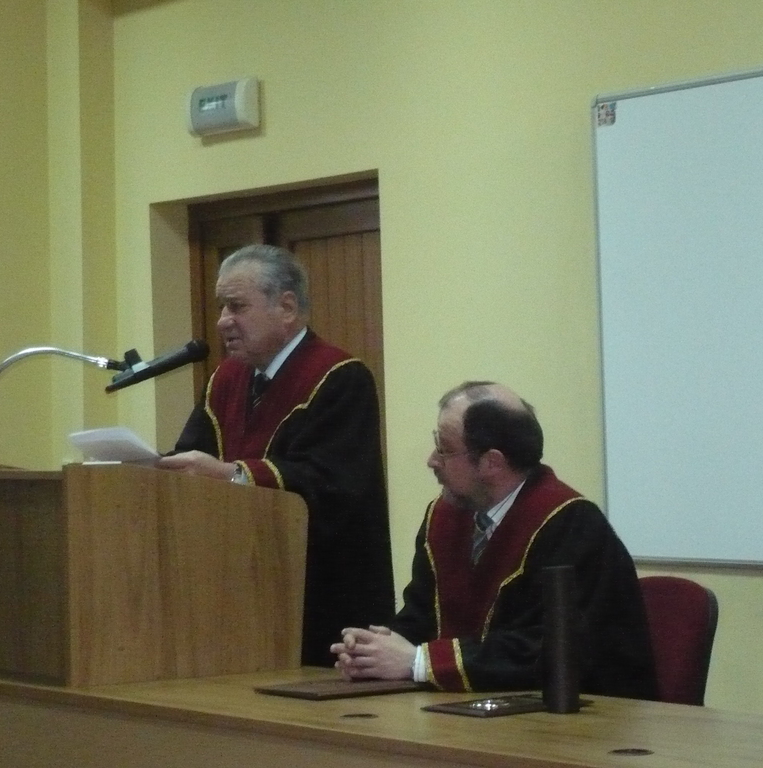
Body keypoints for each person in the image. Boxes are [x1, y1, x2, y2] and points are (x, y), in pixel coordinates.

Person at [331, 381, 658, 697]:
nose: (432, 460)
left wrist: (419, 662)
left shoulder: (571, 526)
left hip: (579, 719)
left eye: (444, 449)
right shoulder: (444, 518)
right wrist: (376, 651)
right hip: (465, 711)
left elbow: (552, 648)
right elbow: (422, 615)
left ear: (492, 462)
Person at [158, 244, 395, 666]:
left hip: (318, 591)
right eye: (221, 307)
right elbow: (192, 455)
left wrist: (234, 475)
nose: (222, 321)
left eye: (236, 306)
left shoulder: (340, 377)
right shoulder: (226, 378)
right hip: (236, 586)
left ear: (286, 307)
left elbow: (334, 484)